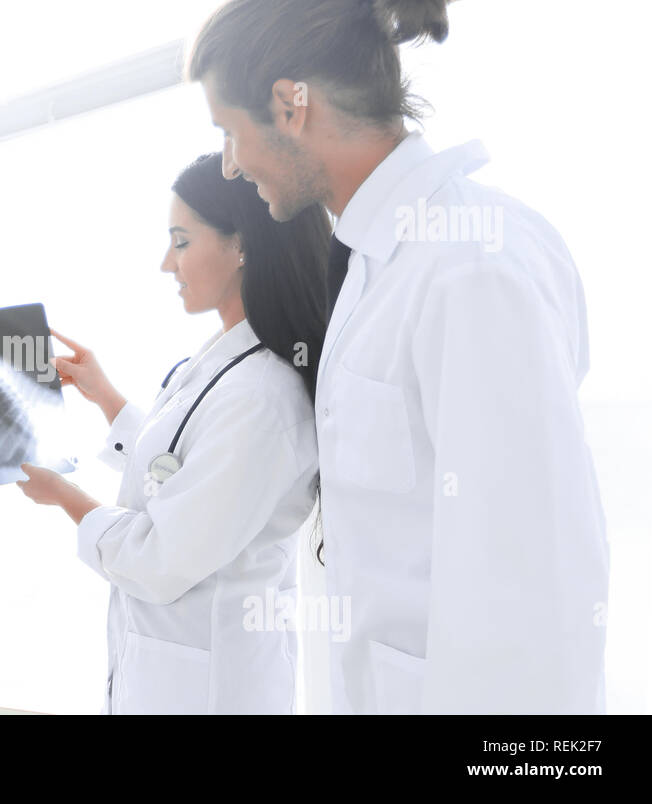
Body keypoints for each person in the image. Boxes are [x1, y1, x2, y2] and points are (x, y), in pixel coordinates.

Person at [188, 0, 608, 713]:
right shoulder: (379, 263)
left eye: (230, 132)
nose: (230, 166)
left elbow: (536, 591)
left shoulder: (470, 265)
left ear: (292, 106)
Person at [16, 153, 329, 714]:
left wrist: (64, 497)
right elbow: (182, 471)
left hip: (217, 690)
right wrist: (106, 398)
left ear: (241, 246)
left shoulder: (264, 394)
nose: (166, 263)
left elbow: (163, 557)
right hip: (176, 675)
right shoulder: (226, 362)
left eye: (181, 242)